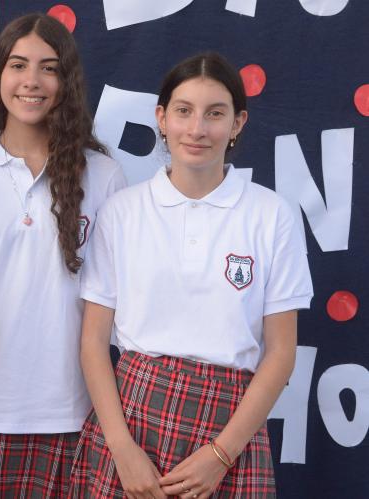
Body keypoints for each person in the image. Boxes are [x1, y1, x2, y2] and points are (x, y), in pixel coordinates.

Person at [69, 52, 313, 499]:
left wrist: (221, 454)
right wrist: (121, 447)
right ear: (161, 118)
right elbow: (92, 342)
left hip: (230, 426)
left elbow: (280, 354)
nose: (197, 129)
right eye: (183, 111)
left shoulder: (271, 215)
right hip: (134, 416)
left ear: (238, 123)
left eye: (215, 114)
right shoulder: (123, 212)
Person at [0, 13, 125, 498]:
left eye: (49, 68)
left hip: (72, 410)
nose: (32, 81)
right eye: (18, 65)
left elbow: (111, 306)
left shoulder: (104, 177)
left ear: (67, 80)